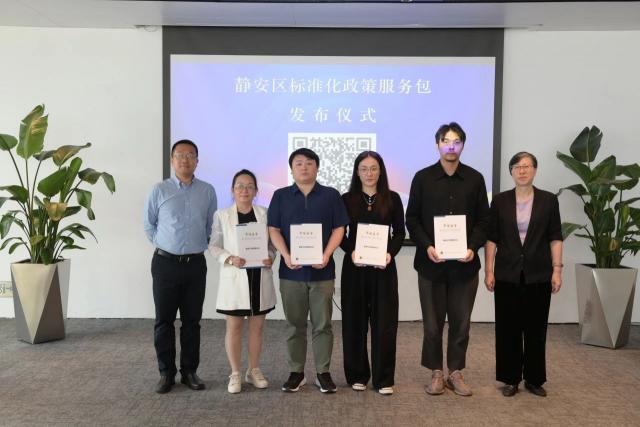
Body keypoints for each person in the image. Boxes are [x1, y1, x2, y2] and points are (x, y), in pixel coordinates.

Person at [406, 122, 489, 397]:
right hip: (431, 264)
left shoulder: (475, 179)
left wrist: (473, 247)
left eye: (456, 142)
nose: (451, 146)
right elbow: (412, 219)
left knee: (461, 324)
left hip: (465, 266)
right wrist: (427, 246)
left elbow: (484, 220)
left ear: (463, 145)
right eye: (446, 141)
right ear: (437, 144)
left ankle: (455, 372)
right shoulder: (422, 178)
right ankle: (436, 372)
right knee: (432, 325)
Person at [267, 147, 350, 394]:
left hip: (322, 272)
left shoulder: (331, 195)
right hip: (291, 273)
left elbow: (339, 229)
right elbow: (273, 229)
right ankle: (297, 372)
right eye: (299, 163)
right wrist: (286, 254)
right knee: (294, 325)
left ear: (317, 167)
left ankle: (323, 372)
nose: (304, 167)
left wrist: (326, 254)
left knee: (322, 325)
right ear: (292, 169)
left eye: (309, 163)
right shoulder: (281, 196)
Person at [484, 152, 563, 398]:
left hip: (538, 274)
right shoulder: (500, 201)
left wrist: (557, 270)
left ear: (535, 170)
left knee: (536, 330)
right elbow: (492, 238)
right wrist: (489, 269)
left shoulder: (548, 200)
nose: (522, 171)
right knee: (507, 329)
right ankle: (510, 379)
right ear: (511, 171)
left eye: (527, 166)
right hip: (507, 273)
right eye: (517, 166)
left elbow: (555, 237)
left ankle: (534, 378)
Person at [143, 139, 217, 394]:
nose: (185, 159)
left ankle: (189, 371)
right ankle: (166, 373)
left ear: (197, 160)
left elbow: (210, 226)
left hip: (195, 265)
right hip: (165, 263)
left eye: (190, 155)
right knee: (163, 321)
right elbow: (149, 225)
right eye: (180, 155)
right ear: (172, 160)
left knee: (192, 321)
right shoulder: (159, 190)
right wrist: (167, 245)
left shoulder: (207, 191)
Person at [340, 151, 405, 396]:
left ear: (381, 171)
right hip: (355, 269)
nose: (369, 173)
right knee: (354, 322)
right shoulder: (346, 199)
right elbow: (340, 233)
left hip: (383, 269)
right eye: (364, 169)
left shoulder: (393, 198)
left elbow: (399, 233)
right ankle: (357, 375)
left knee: (385, 324)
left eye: (374, 168)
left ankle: (383, 378)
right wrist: (351, 251)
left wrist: (389, 253)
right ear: (357, 172)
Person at [209, 169, 276, 394]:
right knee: (234, 327)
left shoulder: (265, 214)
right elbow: (214, 245)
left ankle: (253, 370)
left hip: (259, 276)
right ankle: (235, 373)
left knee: (257, 327)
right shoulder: (222, 215)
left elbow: (272, 244)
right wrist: (229, 258)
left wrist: (270, 256)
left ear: (256, 191)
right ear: (232, 190)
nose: (244, 190)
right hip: (236, 276)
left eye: (249, 186)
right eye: (240, 186)